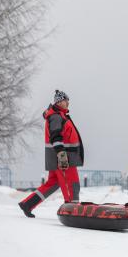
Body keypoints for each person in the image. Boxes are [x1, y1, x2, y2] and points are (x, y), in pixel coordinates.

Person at [18, 90, 84, 218]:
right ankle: (71, 211)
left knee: (53, 184)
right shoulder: (56, 117)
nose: (68, 103)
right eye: (66, 100)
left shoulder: (59, 115)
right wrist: (61, 155)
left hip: (59, 158)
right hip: (63, 159)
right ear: (59, 101)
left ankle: (28, 204)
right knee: (71, 183)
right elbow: (56, 137)